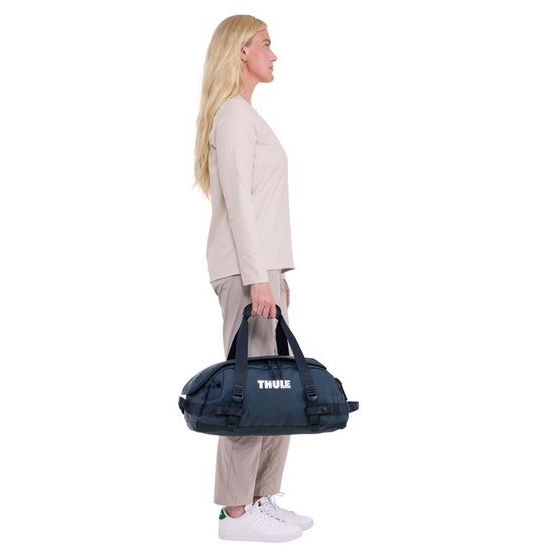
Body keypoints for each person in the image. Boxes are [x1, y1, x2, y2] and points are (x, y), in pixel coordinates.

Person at [193, 14, 314, 543]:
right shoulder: (233, 117)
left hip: (262, 268)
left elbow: (261, 206)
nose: (274, 53)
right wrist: (256, 277)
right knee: (251, 386)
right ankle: (235, 514)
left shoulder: (245, 116)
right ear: (241, 51)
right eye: (266, 43)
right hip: (246, 270)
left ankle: (262, 498)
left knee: (276, 386)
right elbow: (241, 207)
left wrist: (275, 271)